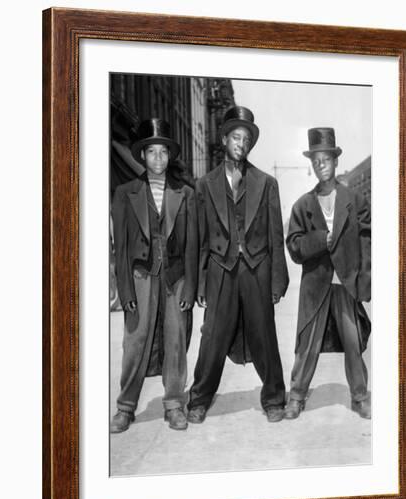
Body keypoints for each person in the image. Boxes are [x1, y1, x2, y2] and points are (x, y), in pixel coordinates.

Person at [187, 106, 289, 424]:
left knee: (264, 335)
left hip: (257, 267)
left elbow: (276, 235)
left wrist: (277, 282)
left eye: (246, 139)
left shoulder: (267, 183)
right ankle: (199, 399)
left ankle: (274, 397)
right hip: (220, 269)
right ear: (224, 139)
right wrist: (201, 283)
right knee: (213, 337)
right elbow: (201, 239)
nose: (241, 143)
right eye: (236, 136)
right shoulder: (204, 185)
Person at [110, 118, 198, 432]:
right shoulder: (125, 193)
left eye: (164, 153)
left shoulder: (185, 193)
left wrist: (191, 288)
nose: (158, 159)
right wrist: (125, 290)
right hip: (140, 276)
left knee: (175, 341)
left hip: (176, 278)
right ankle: (125, 407)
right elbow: (120, 248)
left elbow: (193, 244)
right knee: (134, 342)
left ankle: (175, 404)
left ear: (169, 157)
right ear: (143, 156)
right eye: (152, 152)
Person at [284, 127, 371, 420]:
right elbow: (294, 245)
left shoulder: (354, 199)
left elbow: (367, 238)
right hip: (316, 284)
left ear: (335, 161)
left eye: (326, 159)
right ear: (312, 164)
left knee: (352, 341)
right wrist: (321, 240)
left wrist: (365, 276)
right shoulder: (303, 205)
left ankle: (360, 396)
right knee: (307, 343)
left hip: (345, 282)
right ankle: (296, 396)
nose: (321, 164)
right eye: (316, 160)